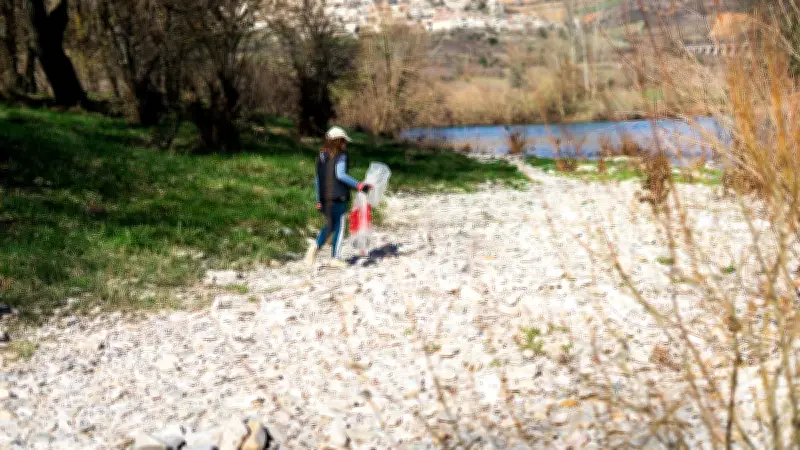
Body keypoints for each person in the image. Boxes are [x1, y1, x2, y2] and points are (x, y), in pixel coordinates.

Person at [304, 126, 372, 268]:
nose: (345, 144)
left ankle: (313, 249)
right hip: (338, 197)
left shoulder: (321, 156)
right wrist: (359, 185)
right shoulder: (341, 156)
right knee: (340, 226)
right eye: (343, 141)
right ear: (337, 141)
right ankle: (336, 257)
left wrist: (318, 200)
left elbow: (317, 179)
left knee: (330, 226)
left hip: (324, 198)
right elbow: (340, 175)